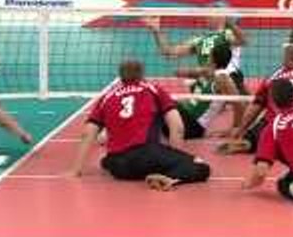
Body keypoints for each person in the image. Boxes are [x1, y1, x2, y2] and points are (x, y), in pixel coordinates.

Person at [68, 60, 211, 191]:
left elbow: (88, 133)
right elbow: (178, 127)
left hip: (117, 166)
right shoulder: (153, 89)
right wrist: (176, 156)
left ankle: (126, 166)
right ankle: (170, 178)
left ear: (120, 76)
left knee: (107, 161)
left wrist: (76, 170)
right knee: (201, 167)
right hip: (146, 156)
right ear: (142, 74)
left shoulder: (107, 97)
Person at [145, 14, 247, 94]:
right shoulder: (199, 40)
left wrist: (230, 24)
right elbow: (168, 52)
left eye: (211, 14)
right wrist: (156, 30)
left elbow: (242, 41)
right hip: (208, 80)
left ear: (221, 17)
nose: (206, 17)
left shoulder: (228, 34)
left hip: (228, 78)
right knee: (194, 85)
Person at [173, 43, 245, 140]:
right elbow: (180, 73)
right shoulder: (209, 71)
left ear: (213, 59)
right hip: (185, 116)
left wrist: (234, 128)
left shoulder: (223, 79)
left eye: (209, 55)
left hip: (192, 125)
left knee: (162, 103)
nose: (207, 57)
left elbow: (239, 104)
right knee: (164, 102)